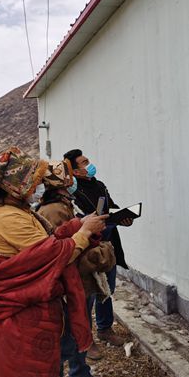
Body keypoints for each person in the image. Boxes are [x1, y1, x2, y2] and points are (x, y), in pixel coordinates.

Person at [0, 146, 108, 377]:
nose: (36, 188)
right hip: (21, 315)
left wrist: (78, 225)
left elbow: (47, 241)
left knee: (45, 368)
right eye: (31, 183)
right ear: (14, 185)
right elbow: (51, 255)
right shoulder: (7, 218)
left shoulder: (14, 211)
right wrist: (84, 233)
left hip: (28, 311)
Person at [37, 178, 115, 377]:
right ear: (60, 186)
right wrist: (99, 254)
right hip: (70, 284)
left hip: (79, 283)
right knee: (66, 342)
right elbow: (62, 254)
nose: (73, 183)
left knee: (80, 331)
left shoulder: (65, 205)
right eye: (68, 180)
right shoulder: (53, 210)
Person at [63, 149, 132, 360]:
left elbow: (110, 207)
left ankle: (105, 328)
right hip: (89, 249)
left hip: (108, 246)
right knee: (88, 295)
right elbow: (79, 219)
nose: (89, 165)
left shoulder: (99, 185)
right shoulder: (72, 192)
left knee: (107, 290)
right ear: (75, 171)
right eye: (84, 163)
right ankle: (87, 339)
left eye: (88, 160)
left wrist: (123, 216)